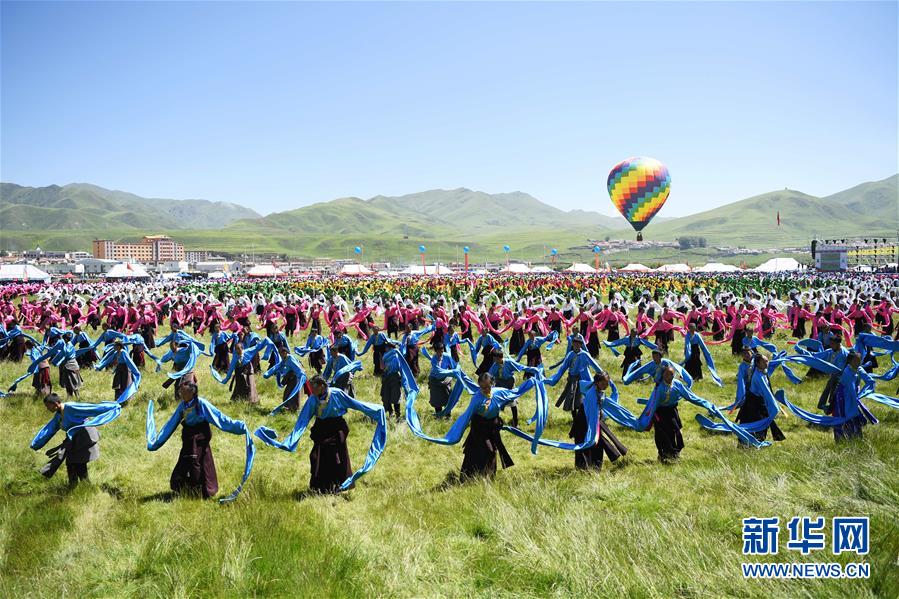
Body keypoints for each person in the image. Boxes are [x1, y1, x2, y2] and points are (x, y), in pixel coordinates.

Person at [254, 375, 387, 494]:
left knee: (336, 456)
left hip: (337, 428)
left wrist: (376, 410)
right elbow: (303, 419)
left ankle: (338, 486)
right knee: (315, 456)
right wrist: (292, 439)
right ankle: (321, 487)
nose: (311, 390)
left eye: (314, 387)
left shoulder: (337, 394)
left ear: (322, 386)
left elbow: (355, 404)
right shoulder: (313, 400)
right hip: (321, 429)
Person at [146, 377, 256, 503]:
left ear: (192, 392)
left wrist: (238, 426)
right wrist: (157, 443)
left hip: (200, 437)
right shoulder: (183, 406)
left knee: (198, 461)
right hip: (188, 437)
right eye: (180, 392)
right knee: (186, 460)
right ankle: (185, 488)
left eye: (183, 392)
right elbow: (171, 423)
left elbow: (219, 418)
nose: (180, 394)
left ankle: (202, 490)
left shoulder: (201, 404)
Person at [30, 392, 123, 486]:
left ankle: (86, 486)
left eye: (48, 406)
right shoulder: (58, 416)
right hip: (74, 438)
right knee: (70, 463)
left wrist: (112, 407)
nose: (47, 409)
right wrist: (36, 443)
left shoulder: (71, 407)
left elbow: (91, 408)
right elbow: (49, 429)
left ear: (56, 404)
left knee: (79, 463)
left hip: (85, 436)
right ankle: (73, 485)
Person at [570, 372, 628, 470]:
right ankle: (583, 467)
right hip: (585, 420)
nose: (605, 386)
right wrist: (593, 428)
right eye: (603, 383)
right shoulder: (592, 394)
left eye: (607, 383)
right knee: (585, 441)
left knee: (597, 442)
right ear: (597, 382)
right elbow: (591, 411)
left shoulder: (599, 391)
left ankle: (596, 466)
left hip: (594, 419)